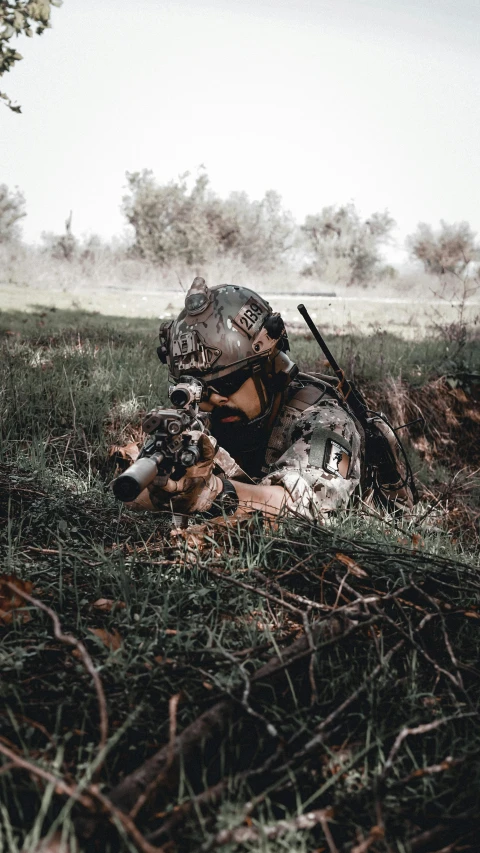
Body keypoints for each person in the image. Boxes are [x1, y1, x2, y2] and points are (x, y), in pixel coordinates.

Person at [130, 277, 414, 521]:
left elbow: (305, 506)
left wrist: (216, 494)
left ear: (270, 368)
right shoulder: (196, 418)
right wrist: (165, 489)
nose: (215, 399)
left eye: (228, 382)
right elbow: (134, 493)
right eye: (199, 389)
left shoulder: (326, 421)